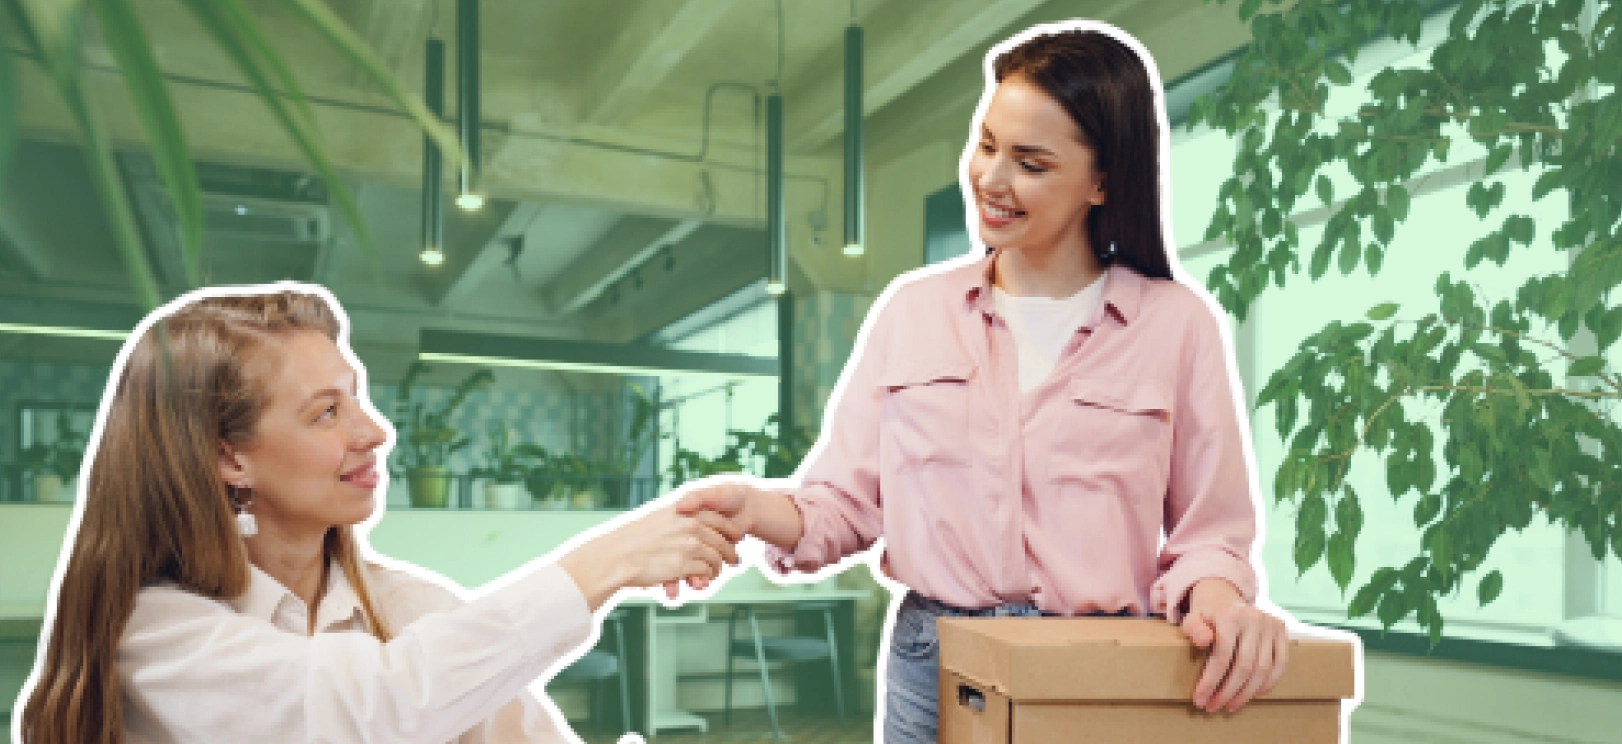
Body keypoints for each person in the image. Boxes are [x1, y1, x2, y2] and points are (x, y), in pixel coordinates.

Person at [672, 24, 1289, 743]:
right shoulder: (913, 311)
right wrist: (755, 508)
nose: (991, 179)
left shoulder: (1176, 326)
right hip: (933, 667)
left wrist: (1219, 599)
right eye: (987, 143)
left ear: (1103, 181)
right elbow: (843, 504)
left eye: (1030, 162)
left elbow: (1212, 532)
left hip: (1098, 670)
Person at [16, 286, 739, 744]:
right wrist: (602, 563)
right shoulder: (155, 634)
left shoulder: (413, 608)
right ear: (230, 458)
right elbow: (366, 712)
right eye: (327, 411)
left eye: (356, 397)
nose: (374, 432)